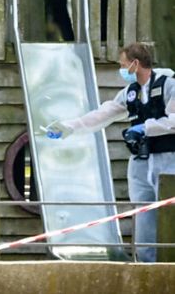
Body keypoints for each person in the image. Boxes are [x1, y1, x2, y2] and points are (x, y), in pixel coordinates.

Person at [46, 43, 175, 262]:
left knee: (169, 210)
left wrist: (146, 127)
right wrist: (69, 127)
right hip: (140, 159)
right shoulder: (130, 92)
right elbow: (102, 115)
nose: (121, 68)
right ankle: (146, 261)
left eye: (124, 64)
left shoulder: (168, 85)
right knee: (142, 212)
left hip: (168, 158)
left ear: (136, 63)